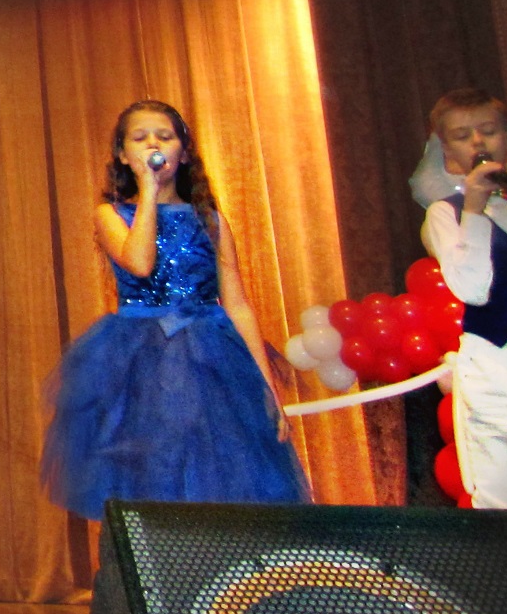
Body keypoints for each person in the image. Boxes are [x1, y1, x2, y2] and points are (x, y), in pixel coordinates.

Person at [40, 100, 309, 520]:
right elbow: (140, 262)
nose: (153, 145)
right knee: (154, 473)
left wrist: (268, 387)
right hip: (141, 360)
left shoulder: (210, 220)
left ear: (183, 152)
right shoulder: (111, 215)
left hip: (209, 359)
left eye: (164, 137)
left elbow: (237, 304)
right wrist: (148, 192)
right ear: (123, 155)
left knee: (217, 475)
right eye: (140, 138)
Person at [420, 88, 507, 509]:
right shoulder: (445, 213)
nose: (477, 142)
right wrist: (473, 209)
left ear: (506, 137)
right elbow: (472, 289)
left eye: (488, 131)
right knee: (502, 503)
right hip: (494, 366)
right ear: (448, 152)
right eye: (462, 135)